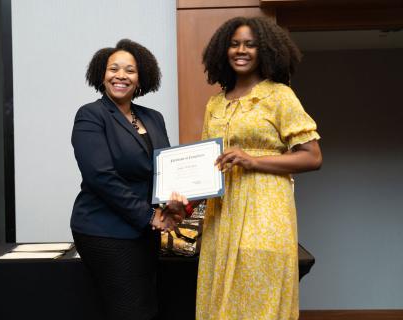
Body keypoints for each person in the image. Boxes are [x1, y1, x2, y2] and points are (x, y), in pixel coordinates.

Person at [195, 17, 323, 319]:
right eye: (235, 44)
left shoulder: (280, 95)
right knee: (219, 302)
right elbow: (205, 165)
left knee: (259, 301)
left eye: (251, 44)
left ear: (265, 50)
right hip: (222, 216)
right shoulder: (214, 104)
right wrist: (180, 204)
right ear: (223, 51)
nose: (242, 50)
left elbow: (312, 156)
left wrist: (254, 161)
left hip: (265, 214)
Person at [70, 39, 181, 320]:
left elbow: (164, 170)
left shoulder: (152, 117)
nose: (121, 75)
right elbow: (100, 176)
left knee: (148, 306)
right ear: (102, 74)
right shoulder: (91, 115)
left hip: (145, 230)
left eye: (130, 70)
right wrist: (149, 216)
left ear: (141, 77)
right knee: (130, 310)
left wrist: (176, 204)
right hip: (105, 229)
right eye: (114, 69)